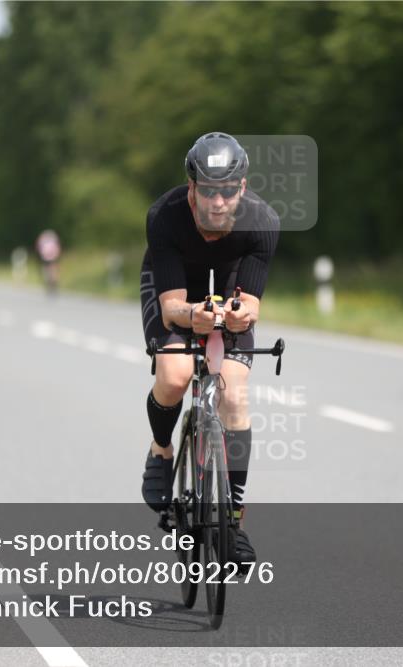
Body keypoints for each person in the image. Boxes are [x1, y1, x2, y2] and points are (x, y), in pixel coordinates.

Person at [140, 132, 279, 566]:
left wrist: (239, 317)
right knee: (176, 375)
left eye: (226, 191)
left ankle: (233, 522)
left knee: (234, 394)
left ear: (241, 187)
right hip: (177, 288)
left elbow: (251, 304)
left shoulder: (263, 221)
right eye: (208, 191)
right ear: (191, 188)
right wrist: (192, 316)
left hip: (229, 285)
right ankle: (162, 447)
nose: (217, 202)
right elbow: (170, 308)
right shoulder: (165, 216)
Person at [36, 229, 61, 294]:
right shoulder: (53, 236)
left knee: (48, 269)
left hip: (46, 256)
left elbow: (38, 246)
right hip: (52, 255)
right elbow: (58, 246)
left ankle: (50, 282)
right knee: (52, 269)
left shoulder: (43, 237)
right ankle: (53, 282)